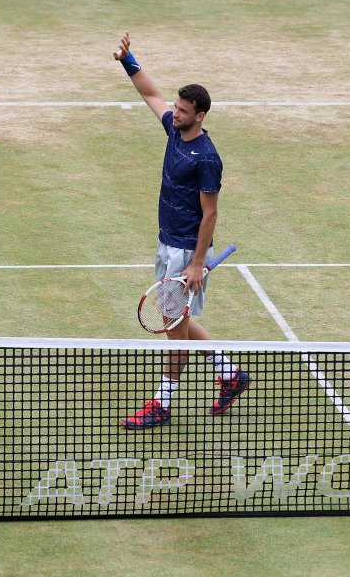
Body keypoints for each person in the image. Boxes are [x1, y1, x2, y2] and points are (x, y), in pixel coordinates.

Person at [113, 31, 251, 429]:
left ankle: (162, 404)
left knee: (174, 329)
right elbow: (149, 93)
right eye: (175, 107)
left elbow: (210, 214)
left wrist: (195, 263)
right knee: (177, 320)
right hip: (166, 242)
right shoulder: (174, 129)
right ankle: (231, 374)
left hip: (184, 251)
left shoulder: (207, 158)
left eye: (183, 110)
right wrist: (128, 59)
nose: (174, 113)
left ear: (200, 115)